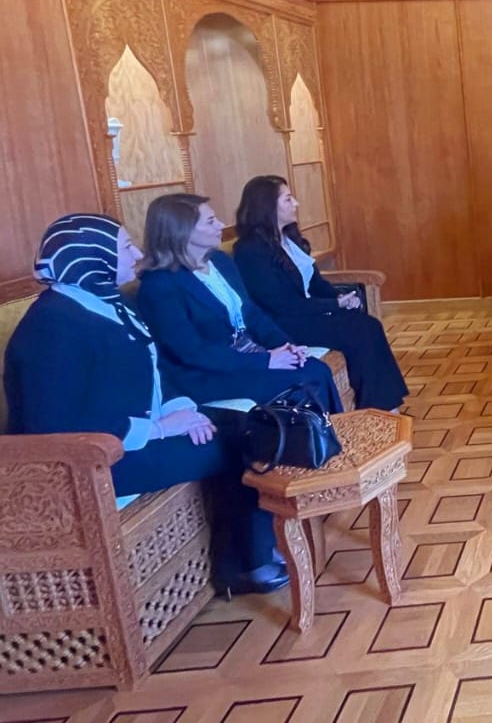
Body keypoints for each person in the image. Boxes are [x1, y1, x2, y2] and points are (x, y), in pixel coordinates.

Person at [3, 214, 287, 595]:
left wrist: (182, 409)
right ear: (91, 256)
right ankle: (246, 566)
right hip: (91, 462)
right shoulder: (51, 328)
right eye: (124, 247)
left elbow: (156, 368)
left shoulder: (107, 301)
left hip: (138, 432)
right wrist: (160, 428)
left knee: (249, 424)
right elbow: (56, 423)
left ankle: (253, 552)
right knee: (231, 445)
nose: (137, 253)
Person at [135, 194, 342, 412]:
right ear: (182, 231)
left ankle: (336, 431)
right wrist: (266, 360)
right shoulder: (159, 286)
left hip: (244, 355)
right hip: (205, 374)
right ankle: (317, 434)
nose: (221, 225)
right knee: (303, 380)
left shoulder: (220, 261)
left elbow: (252, 314)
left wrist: (285, 345)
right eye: (210, 221)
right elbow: (192, 352)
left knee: (315, 368)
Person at [233, 176, 408, 412]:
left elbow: (315, 283)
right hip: (285, 323)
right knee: (361, 330)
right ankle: (378, 409)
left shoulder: (289, 239)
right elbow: (280, 304)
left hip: (307, 314)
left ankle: (385, 407)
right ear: (267, 206)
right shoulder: (250, 251)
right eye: (288, 199)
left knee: (369, 326)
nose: (295, 204)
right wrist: (333, 305)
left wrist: (340, 299)